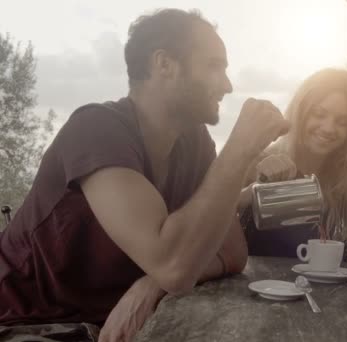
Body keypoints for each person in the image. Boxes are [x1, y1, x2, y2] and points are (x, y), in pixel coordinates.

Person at [0, 8, 289, 341]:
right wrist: (240, 150)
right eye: (214, 66)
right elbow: (175, 266)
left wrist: (151, 283)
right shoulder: (95, 129)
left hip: (113, 323)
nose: (227, 84)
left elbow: (232, 255)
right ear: (163, 64)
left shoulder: (193, 143)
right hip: (25, 322)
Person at [239, 68, 347, 259]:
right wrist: (254, 190)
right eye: (319, 114)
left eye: (342, 122)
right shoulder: (260, 161)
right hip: (257, 287)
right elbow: (211, 217)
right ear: (301, 112)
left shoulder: (344, 183)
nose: (328, 128)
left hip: (327, 290)